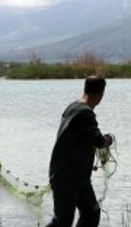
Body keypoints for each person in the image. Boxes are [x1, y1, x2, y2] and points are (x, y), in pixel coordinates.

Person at [46, 75, 113, 227]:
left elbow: (76, 141)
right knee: (63, 221)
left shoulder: (72, 107)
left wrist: (87, 162)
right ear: (101, 94)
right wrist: (110, 139)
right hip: (68, 178)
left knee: (91, 212)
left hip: (77, 177)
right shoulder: (85, 113)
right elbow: (99, 141)